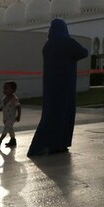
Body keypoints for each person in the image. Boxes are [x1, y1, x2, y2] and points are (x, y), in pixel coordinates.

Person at [27, 18, 89, 156]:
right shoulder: (67, 42)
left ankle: (43, 144)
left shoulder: (47, 45)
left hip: (50, 86)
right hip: (66, 84)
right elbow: (84, 52)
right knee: (65, 114)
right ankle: (60, 143)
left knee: (50, 114)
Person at [0, 81, 21, 149]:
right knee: (10, 129)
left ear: (13, 90)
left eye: (6, 88)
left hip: (11, 118)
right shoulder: (3, 99)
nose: (4, 90)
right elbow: (3, 107)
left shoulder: (14, 99)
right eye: (4, 88)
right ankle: (13, 140)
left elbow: (18, 107)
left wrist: (18, 116)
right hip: (5, 118)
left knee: (6, 128)